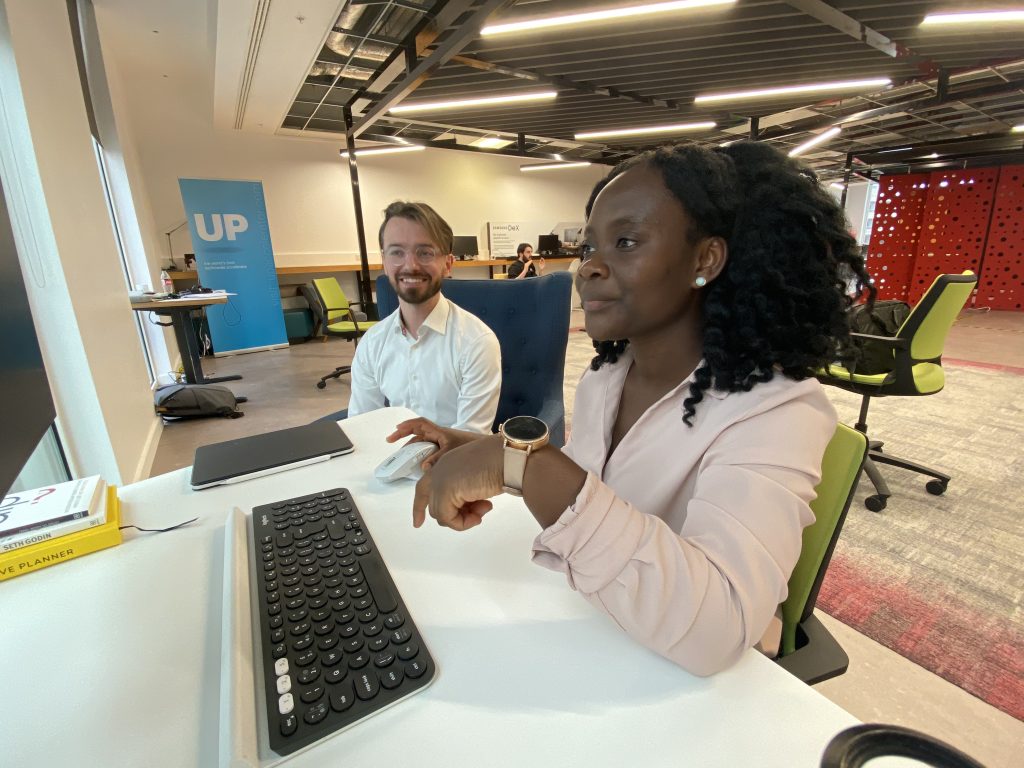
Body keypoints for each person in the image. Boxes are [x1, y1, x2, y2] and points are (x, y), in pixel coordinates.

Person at [386, 142, 873, 676]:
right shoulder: (607, 376)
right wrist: (492, 455)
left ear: (704, 260)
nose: (590, 268)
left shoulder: (778, 411)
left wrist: (520, 461)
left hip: (696, 683)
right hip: (597, 625)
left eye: (625, 242)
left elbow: (719, 628)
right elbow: (592, 493)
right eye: (589, 247)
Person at [347, 201, 501, 434]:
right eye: (397, 252)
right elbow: (361, 426)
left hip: (457, 464)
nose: (410, 265)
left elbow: (470, 439)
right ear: (385, 263)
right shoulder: (372, 343)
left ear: (448, 264)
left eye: (425, 253)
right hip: (391, 462)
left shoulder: (476, 341)